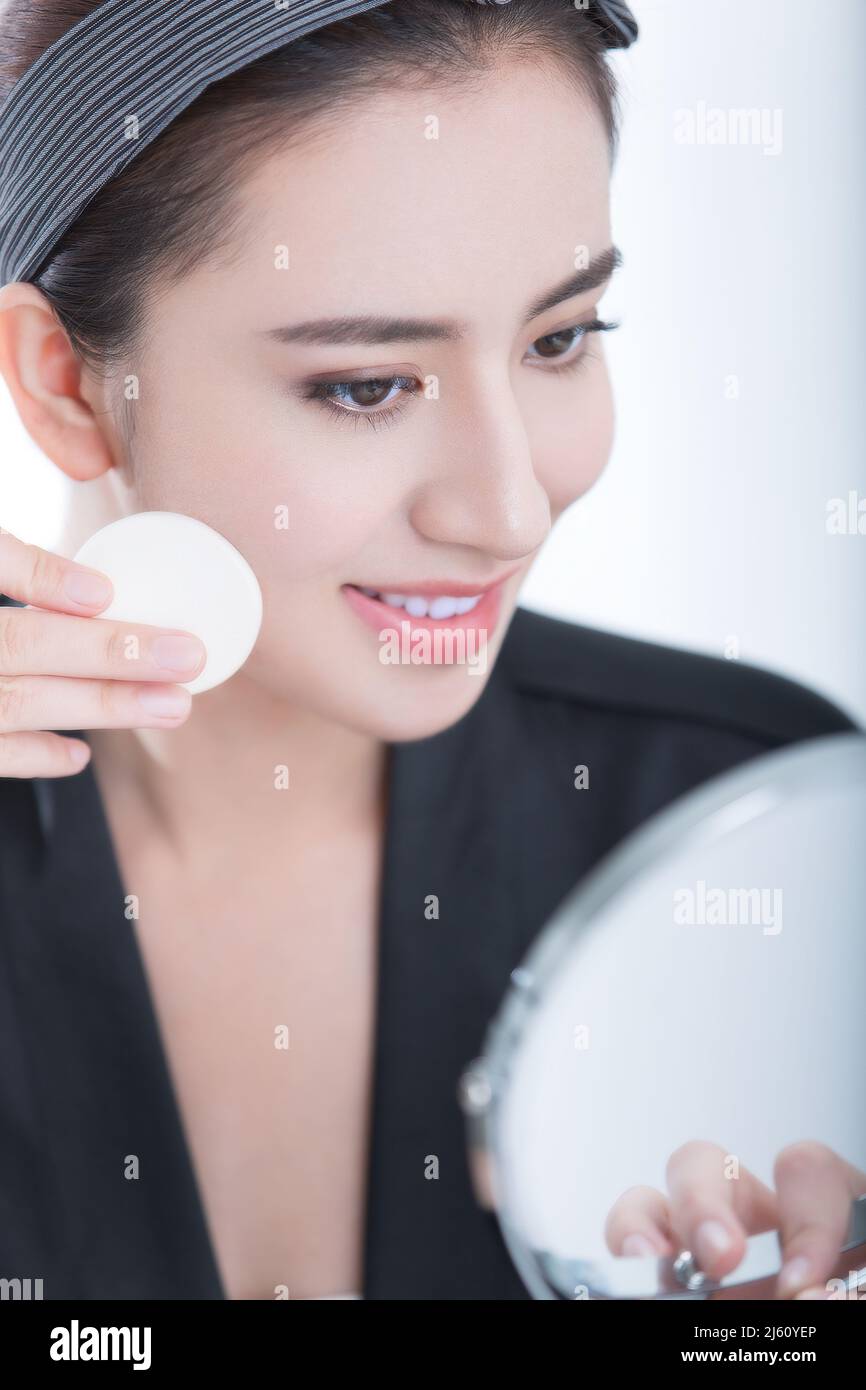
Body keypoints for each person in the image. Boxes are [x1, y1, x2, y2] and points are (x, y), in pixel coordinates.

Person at [0, 0, 860, 1302]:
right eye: (366, 385)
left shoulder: (750, 822)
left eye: (558, 339)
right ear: (67, 383)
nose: (508, 507)